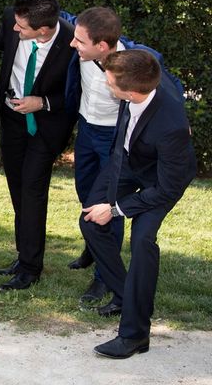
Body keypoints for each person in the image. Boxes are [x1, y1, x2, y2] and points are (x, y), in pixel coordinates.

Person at [80, 49, 195, 359]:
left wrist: (116, 209)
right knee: (89, 218)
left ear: (129, 91)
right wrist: (106, 199)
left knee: (142, 240)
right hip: (129, 161)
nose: (106, 86)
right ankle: (128, 295)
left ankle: (134, 335)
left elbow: (166, 190)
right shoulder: (139, 80)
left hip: (162, 180)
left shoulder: (171, 125)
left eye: (110, 84)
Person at [64, 7, 184, 303]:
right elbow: (59, 15)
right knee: (88, 201)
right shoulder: (84, 45)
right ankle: (103, 262)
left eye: (79, 41)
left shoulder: (139, 62)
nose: (72, 44)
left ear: (101, 47)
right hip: (87, 130)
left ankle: (104, 281)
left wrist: (180, 129)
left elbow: (171, 95)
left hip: (118, 142)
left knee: (109, 209)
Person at [0, 0, 75, 290]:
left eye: (21, 29)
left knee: (32, 190)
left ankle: (30, 268)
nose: (13, 30)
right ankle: (22, 254)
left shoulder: (72, 41)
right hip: (12, 119)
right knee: (17, 188)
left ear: (43, 30)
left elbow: (74, 94)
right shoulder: (13, 19)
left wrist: (42, 102)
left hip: (45, 126)